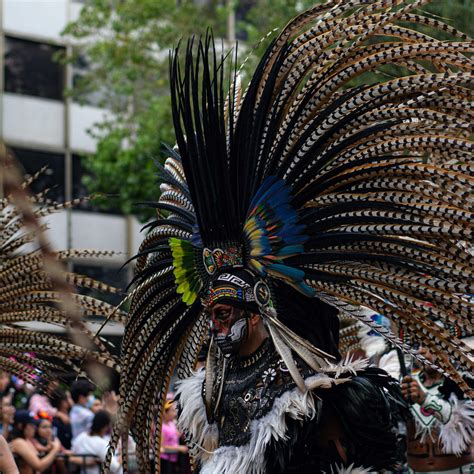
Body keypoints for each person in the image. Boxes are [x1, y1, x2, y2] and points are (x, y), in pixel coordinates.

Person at [103, 1, 472, 472]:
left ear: (256, 308)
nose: (214, 327)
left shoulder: (318, 390)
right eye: (211, 315)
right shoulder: (213, 389)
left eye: (221, 314)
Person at [401, 347, 474, 473]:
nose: (422, 351)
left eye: (431, 346)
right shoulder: (405, 382)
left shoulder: (465, 383)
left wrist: (424, 399)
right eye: (419, 345)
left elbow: (462, 423)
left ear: (448, 351)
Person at [160, 399, 187, 474]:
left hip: (174, 459)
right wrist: (179, 448)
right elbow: (161, 447)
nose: (174, 414)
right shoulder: (162, 428)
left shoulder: (172, 424)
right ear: (165, 413)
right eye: (172, 411)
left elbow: (175, 436)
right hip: (166, 460)